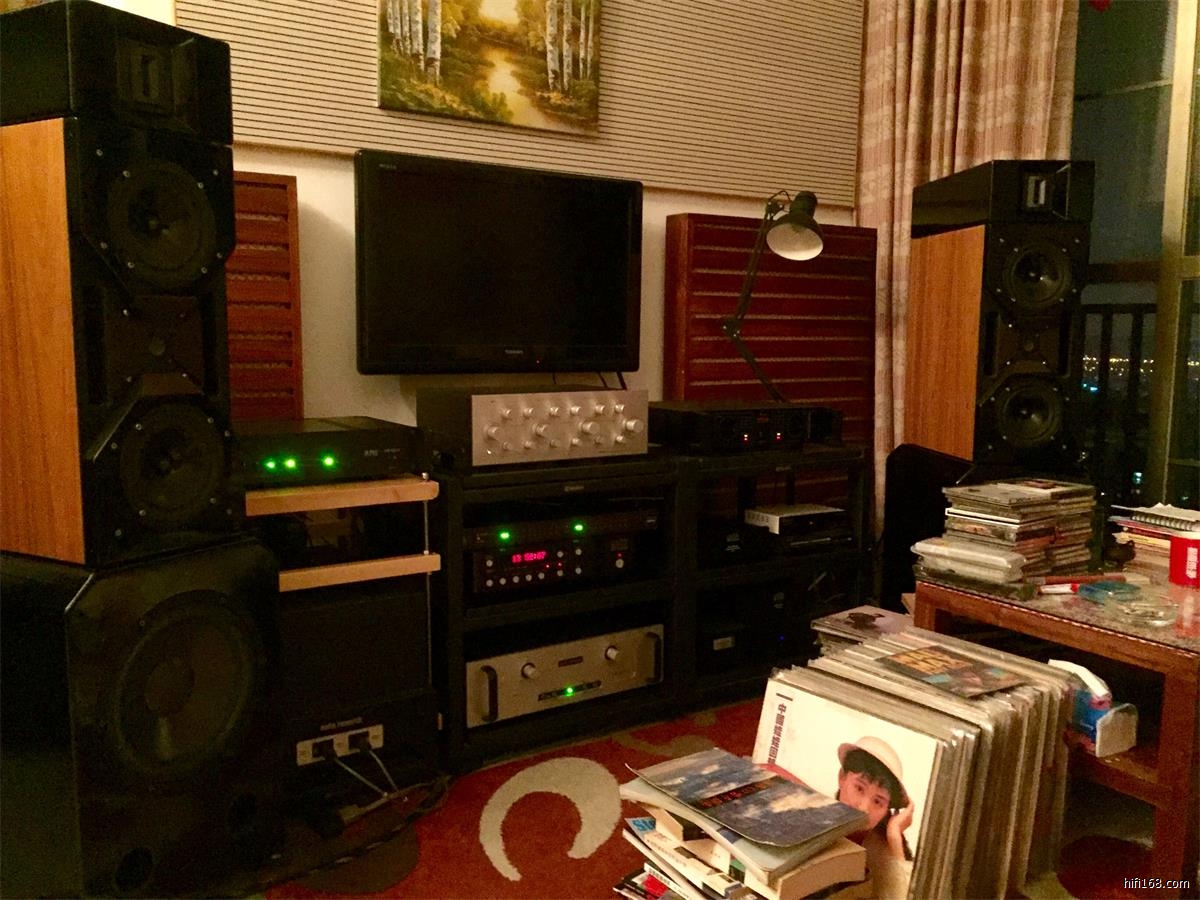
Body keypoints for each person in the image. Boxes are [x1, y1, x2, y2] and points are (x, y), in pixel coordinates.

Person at [835, 736, 914, 899]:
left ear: (887, 809)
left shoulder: (882, 852)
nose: (864, 808)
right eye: (859, 788)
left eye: (878, 801)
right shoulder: (815, 816)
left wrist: (894, 837)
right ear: (842, 777)